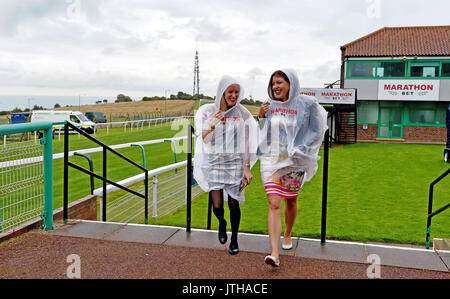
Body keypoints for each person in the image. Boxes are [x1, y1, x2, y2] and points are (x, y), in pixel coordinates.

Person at [257, 69, 328, 267]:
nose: (275, 87)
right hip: (272, 159)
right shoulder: (269, 105)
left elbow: (317, 129)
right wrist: (261, 118)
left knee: (291, 200)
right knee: (273, 203)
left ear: (291, 83)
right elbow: (263, 133)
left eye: (279, 82)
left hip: (295, 161)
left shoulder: (308, 104)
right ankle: (274, 253)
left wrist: (300, 148)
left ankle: (287, 233)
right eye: (273, 83)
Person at [194, 75, 257, 255]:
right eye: (230, 91)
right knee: (217, 206)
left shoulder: (242, 113)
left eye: (237, 92)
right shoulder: (208, 111)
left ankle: (234, 238)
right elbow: (205, 140)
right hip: (215, 163)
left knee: (233, 204)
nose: (234, 95)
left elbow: (247, 142)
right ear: (222, 92)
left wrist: (247, 167)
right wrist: (212, 126)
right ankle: (222, 223)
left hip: (235, 164)